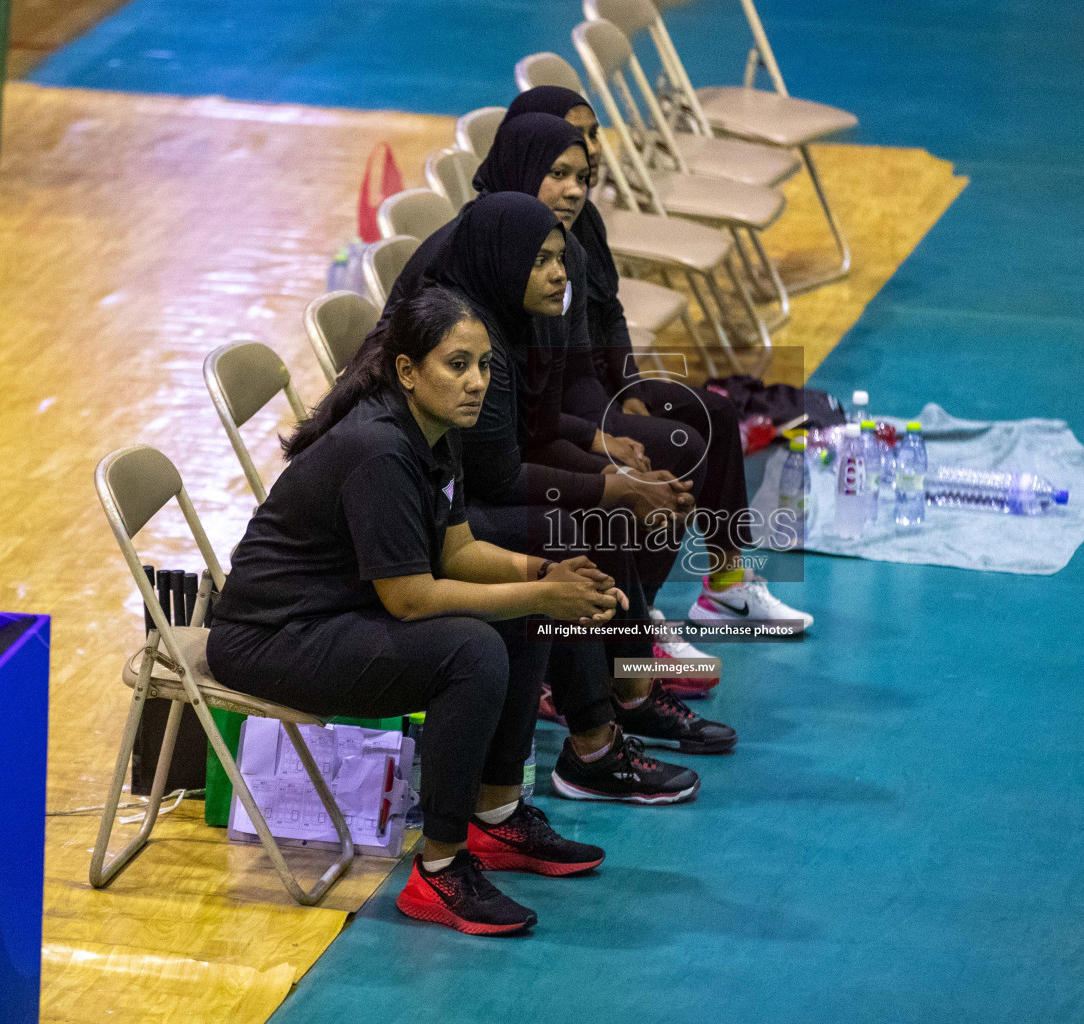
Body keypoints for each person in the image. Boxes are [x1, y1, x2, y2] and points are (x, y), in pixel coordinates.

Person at [206, 287, 618, 936]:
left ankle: (496, 816)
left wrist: (541, 574)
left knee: (519, 614)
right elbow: (412, 598)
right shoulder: (379, 449)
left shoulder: (434, 428)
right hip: (271, 638)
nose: (477, 381)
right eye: (458, 365)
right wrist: (542, 592)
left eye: (484, 365)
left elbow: (458, 550)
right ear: (407, 371)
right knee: (472, 650)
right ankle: (439, 868)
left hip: (335, 614)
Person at [389, 191, 735, 788]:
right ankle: (594, 746)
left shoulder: (517, 316)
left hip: (463, 490)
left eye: (560, 259)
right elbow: (497, 475)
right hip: (421, 513)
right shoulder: (468, 337)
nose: (560, 273)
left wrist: (609, 462)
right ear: (504, 260)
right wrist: (614, 488)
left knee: (594, 514)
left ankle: (629, 695)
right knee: (571, 531)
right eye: (543, 262)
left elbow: (536, 429)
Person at [497, 89, 816, 638]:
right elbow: (548, 382)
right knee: (677, 447)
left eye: (595, 136)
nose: (595, 153)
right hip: (558, 401)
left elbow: (610, 311)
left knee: (714, 414)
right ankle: (635, 616)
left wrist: (633, 388)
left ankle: (726, 588)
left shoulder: (582, 217)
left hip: (594, 384)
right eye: (578, 142)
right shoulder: (508, 233)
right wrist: (608, 427)